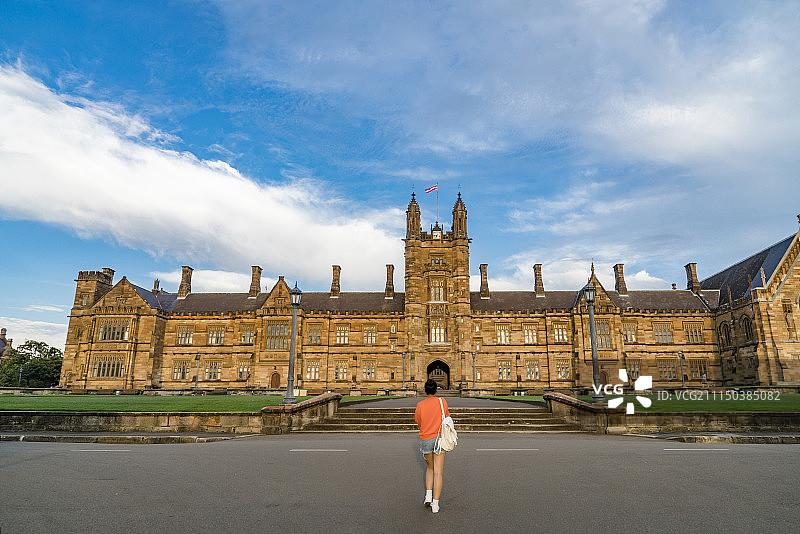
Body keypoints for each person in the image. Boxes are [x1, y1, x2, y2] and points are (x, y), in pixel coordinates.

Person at [414, 379, 450, 514]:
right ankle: (435, 505)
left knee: (429, 468)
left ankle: (427, 496)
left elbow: (418, 421)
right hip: (439, 439)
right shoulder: (442, 402)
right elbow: (447, 418)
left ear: (425, 390)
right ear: (436, 390)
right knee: (438, 472)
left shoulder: (420, 405)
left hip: (426, 439)